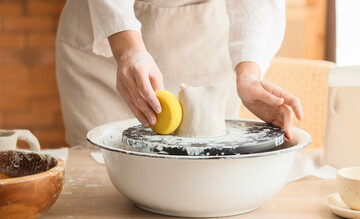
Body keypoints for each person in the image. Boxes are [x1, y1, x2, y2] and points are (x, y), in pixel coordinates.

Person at [56, 0, 303, 147]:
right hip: (104, 47)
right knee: (101, 178)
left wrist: (248, 73)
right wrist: (127, 48)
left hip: (206, 49)